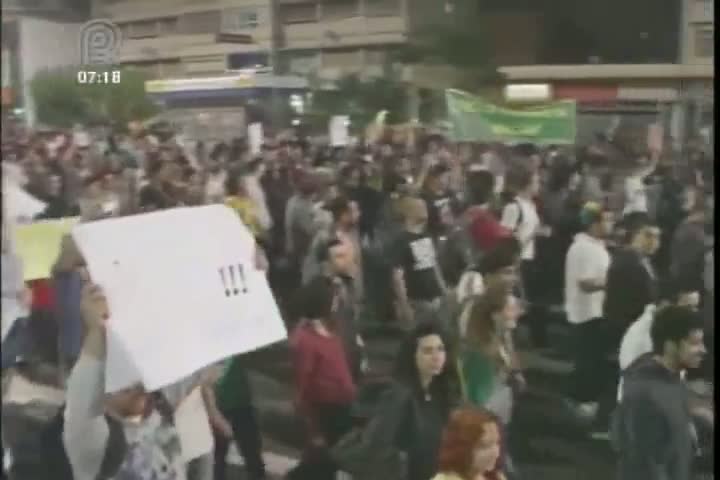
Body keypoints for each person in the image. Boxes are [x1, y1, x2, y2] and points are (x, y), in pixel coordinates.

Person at [62, 283, 188, 480]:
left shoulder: (162, 422)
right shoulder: (94, 442)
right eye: (122, 383)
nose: (134, 386)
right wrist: (96, 330)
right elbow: (82, 400)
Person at [332, 323, 460, 480]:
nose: (436, 356)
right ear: (413, 355)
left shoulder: (444, 393)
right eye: (427, 351)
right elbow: (376, 444)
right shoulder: (398, 394)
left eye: (440, 349)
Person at [613, 306, 705, 480]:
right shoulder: (644, 395)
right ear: (670, 346)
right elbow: (646, 465)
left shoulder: (672, 377)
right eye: (694, 343)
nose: (703, 350)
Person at [287, 277, 357, 480]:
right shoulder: (306, 340)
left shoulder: (332, 329)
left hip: (344, 409)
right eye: (333, 297)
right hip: (326, 413)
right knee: (322, 465)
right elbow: (301, 389)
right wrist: (314, 431)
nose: (336, 301)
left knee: (331, 464)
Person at [458, 283, 524, 477]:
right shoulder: (480, 354)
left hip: (497, 422)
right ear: (495, 315)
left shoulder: (497, 339)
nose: (518, 312)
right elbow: (474, 403)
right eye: (511, 308)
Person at [564, 202, 613, 418]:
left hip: (595, 311)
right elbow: (585, 283)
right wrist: (614, 281)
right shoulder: (582, 248)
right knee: (586, 360)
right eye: (607, 220)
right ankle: (579, 400)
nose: (611, 224)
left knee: (590, 359)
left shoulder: (595, 246)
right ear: (594, 224)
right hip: (585, 313)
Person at [617, 282, 700, 399]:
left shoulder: (671, 328)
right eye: (688, 307)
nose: (693, 313)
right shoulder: (640, 339)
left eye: (695, 307)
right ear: (665, 305)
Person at [391, 197, 447, 328]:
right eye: (420, 207)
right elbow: (397, 276)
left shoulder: (425, 236)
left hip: (435, 298)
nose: (425, 210)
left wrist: (443, 290)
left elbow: (433, 265)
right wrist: (404, 305)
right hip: (417, 300)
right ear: (408, 212)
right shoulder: (401, 241)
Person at [211, 355, 267, 480]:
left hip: (241, 405)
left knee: (252, 455)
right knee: (218, 459)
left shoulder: (235, 345)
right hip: (221, 408)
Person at [431, 407, 505, 480]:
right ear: (461, 448)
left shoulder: (495, 476)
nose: (495, 452)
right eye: (484, 446)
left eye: (496, 443)